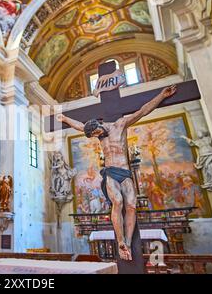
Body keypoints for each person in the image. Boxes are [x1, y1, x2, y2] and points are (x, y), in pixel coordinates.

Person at [57, 85, 177, 261]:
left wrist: (161, 96)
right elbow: (80, 126)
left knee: (131, 206)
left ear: (99, 124)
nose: (98, 136)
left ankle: (127, 242)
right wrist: (65, 119)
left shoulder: (119, 125)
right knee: (118, 202)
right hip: (111, 172)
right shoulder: (97, 134)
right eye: (95, 135)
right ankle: (120, 241)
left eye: (97, 132)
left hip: (126, 172)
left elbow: (142, 111)